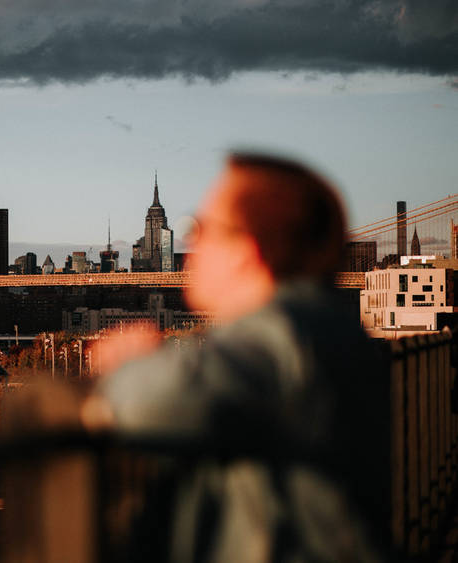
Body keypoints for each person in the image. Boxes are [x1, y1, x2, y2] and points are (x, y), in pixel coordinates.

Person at [87, 153, 386, 561]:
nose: (191, 243)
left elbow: (150, 401)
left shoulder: (278, 332)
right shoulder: (328, 323)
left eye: (201, 229)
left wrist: (129, 365)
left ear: (246, 250)